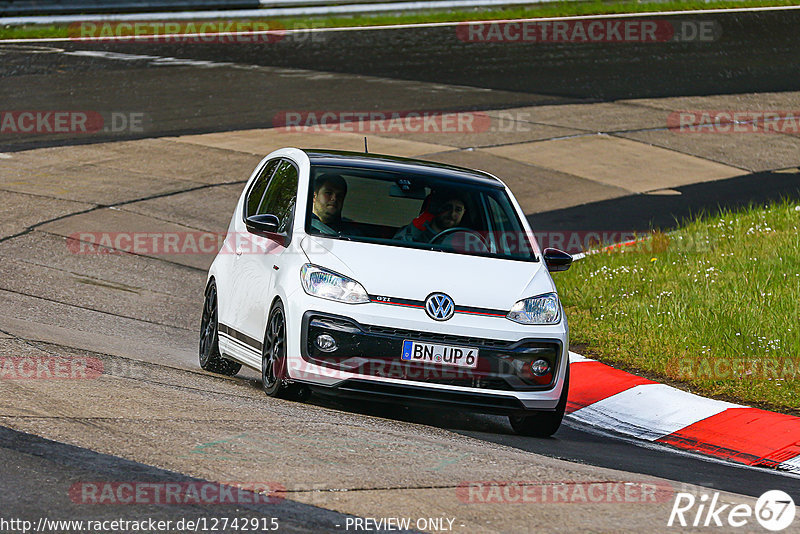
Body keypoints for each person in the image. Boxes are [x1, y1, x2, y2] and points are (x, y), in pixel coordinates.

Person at [394, 190, 467, 243]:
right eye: (447, 208)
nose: (452, 214)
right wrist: (415, 228)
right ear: (437, 209)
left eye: (458, 210)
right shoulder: (413, 232)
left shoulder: (464, 240)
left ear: (464, 213)